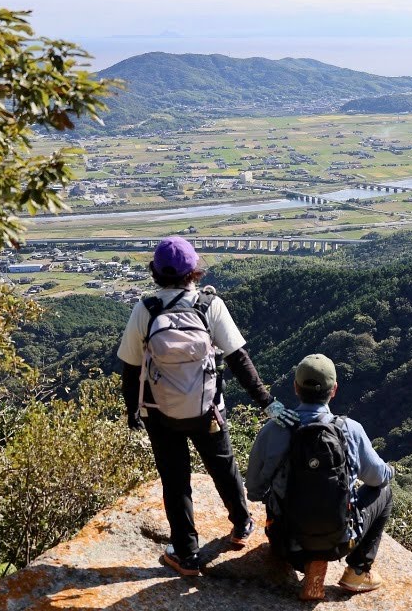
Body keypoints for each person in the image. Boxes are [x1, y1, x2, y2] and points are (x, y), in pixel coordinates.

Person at [116, 236, 299, 577]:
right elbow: (239, 359)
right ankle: (242, 525)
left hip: (160, 413)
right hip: (208, 411)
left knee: (175, 480)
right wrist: (266, 402)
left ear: (155, 272)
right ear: (194, 271)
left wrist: (132, 412)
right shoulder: (209, 305)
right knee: (223, 466)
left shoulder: (146, 309)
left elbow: (130, 368)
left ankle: (186, 554)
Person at [246, 354, 395, 601]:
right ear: (334, 390)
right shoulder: (350, 429)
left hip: (285, 544)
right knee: (385, 493)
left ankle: (306, 558)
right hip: (338, 543)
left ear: (295, 388)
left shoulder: (274, 430)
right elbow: (378, 479)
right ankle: (357, 571)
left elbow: (253, 491)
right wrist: (390, 470)